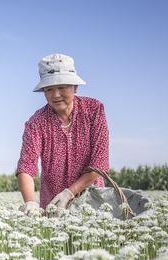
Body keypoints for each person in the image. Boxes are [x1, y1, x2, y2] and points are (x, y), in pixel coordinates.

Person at [16, 53, 110, 216]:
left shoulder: (94, 110)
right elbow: (27, 166)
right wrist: (30, 202)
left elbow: (99, 162)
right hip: (54, 205)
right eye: (49, 89)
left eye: (62, 87)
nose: (56, 94)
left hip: (91, 203)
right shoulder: (36, 123)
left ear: (75, 87)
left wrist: (70, 192)